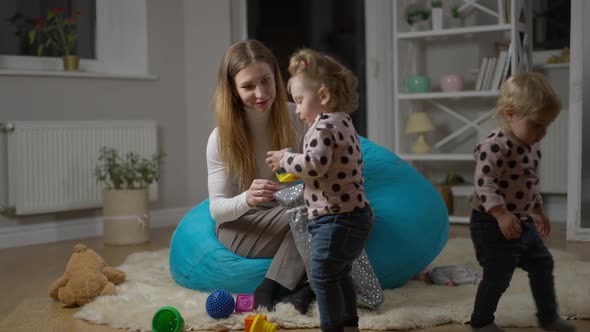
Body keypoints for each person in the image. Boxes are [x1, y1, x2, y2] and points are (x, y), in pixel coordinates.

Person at [266, 48, 373, 332]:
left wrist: (285, 159)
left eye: (300, 101)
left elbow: (314, 165)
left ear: (323, 96)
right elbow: (321, 164)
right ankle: (349, 322)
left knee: (322, 275)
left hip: (336, 218)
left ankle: (331, 326)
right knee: (340, 273)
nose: (298, 109)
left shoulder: (323, 126)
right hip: (355, 216)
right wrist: (294, 161)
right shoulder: (343, 122)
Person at [206, 39, 310, 311]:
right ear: (233, 90)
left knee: (341, 212)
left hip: (289, 211)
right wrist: (247, 199)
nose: (261, 92)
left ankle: (299, 291)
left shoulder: (296, 116)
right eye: (248, 86)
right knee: (320, 214)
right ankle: (283, 289)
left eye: (266, 80)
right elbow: (217, 210)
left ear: (275, 76)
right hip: (242, 225)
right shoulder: (220, 139)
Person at [469, 72, 576, 332]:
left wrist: (538, 209)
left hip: (522, 220)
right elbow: (485, 183)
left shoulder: (531, 145)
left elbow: (528, 182)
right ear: (509, 113)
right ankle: (481, 321)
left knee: (543, 263)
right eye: (537, 124)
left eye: (547, 125)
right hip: (491, 221)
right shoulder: (496, 145)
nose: (543, 132)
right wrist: (502, 214)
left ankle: (548, 317)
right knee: (499, 273)